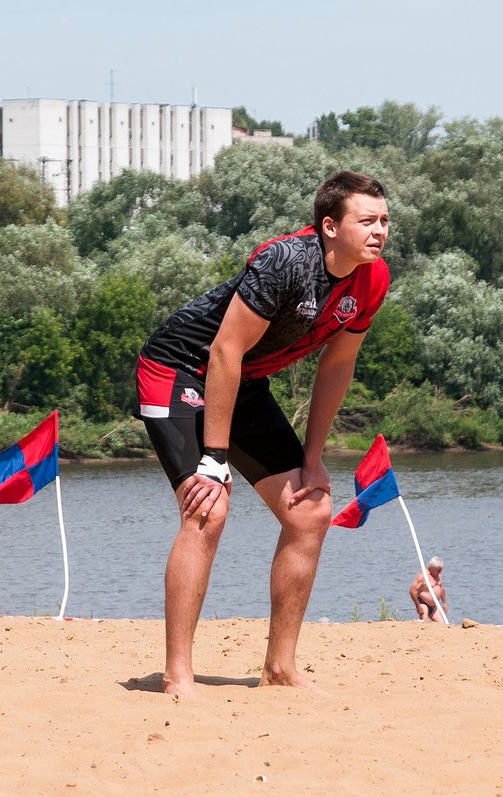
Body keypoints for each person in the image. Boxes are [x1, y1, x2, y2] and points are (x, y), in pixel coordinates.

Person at [135, 170, 391, 696]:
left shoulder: (373, 279)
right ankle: (177, 672)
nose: (380, 231)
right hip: (179, 367)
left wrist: (314, 457)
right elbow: (224, 351)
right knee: (209, 506)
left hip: (241, 381)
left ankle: (279, 669)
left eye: (385, 220)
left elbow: (337, 365)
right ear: (329, 226)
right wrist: (214, 457)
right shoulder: (284, 261)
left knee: (311, 510)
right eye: (367, 221)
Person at [409, 556, 447, 623]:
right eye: (438, 569)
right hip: (423, 603)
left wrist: (444, 602)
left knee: (442, 624)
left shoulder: (438, 575)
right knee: (424, 620)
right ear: (432, 568)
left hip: (434, 605)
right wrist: (418, 606)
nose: (440, 571)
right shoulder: (423, 576)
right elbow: (412, 591)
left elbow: (441, 588)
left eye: (441, 569)